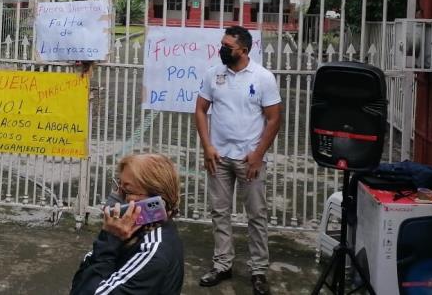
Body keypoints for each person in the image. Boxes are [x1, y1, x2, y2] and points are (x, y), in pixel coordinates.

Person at [194, 26, 282, 295]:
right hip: (218, 158)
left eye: (227, 46)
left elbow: (274, 118)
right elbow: (200, 109)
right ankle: (222, 265)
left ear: (243, 50)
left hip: (249, 159)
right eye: (221, 44)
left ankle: (258, 270)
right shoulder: (214, 75)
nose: (222, 50)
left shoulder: (263, 78)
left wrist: (258, 155)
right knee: (219, 212)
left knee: (256, 215)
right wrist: (207, 147)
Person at [70, 153, 184, 295]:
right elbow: (80, 280)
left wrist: (109, 240)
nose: (117, 197)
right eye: (118, 186)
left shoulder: (152, 250)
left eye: (127, 191)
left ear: (154, 203)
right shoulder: (131, 230)